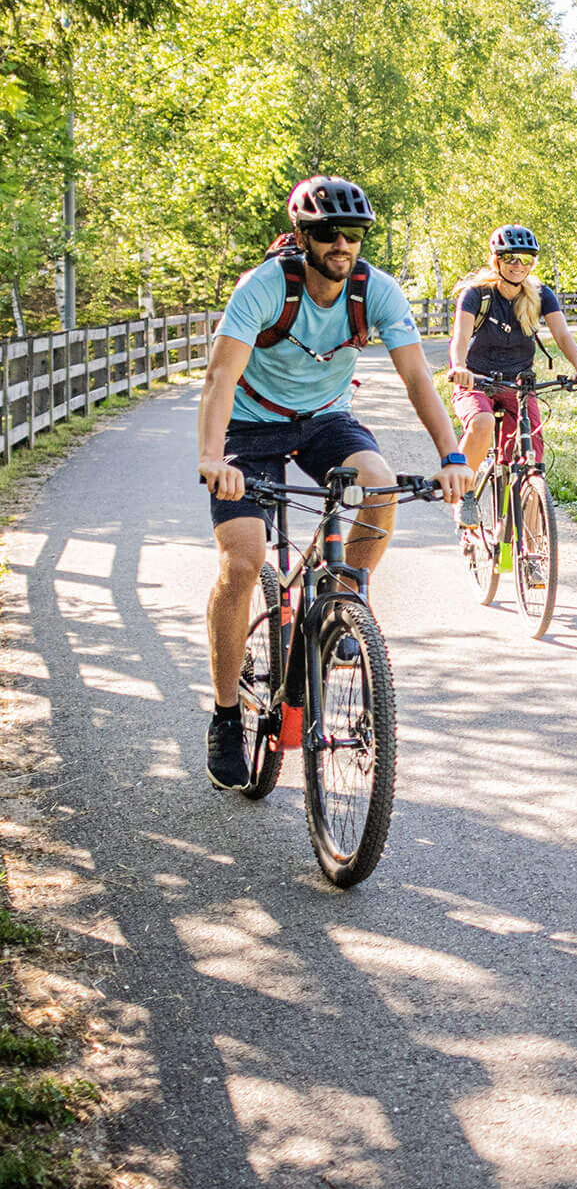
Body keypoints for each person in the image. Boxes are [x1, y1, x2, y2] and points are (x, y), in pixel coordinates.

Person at [197, 175, 470, 790]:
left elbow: (418, 380)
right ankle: (222, 715)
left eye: (353, 233)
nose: (341, 244)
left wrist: (452, 455)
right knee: (242, 563)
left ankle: (347, 594)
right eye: (326, 233)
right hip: (249, 427)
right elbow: (219, 378)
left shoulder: (377, 291)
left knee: (378, 483)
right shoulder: (266, 288)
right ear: (302, 236)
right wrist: (214, 458)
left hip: (325, 420)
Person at [447, 225, 577, 495]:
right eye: (509, 258)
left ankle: (533, 525)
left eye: (526, 259)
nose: (518, 265)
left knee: (531, 455)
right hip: (476, 380)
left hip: (518, 385)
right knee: (482, 423)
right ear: (496, 260)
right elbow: (460, 336)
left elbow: (562, 335)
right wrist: (459, 367)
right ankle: (465, 494)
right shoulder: (476, 294)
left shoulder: (540, 295)